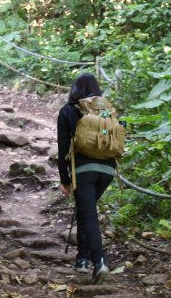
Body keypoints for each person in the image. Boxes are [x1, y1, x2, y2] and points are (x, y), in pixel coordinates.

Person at [57, 73, 116, 285]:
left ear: (74, 89)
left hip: (83, 170)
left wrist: (64, 179)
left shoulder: (67, 111)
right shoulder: (106, 111)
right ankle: (82, 259)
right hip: (108, 170)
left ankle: (99, 261)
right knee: (85, 210)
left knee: (89, 215)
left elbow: (63, 149)